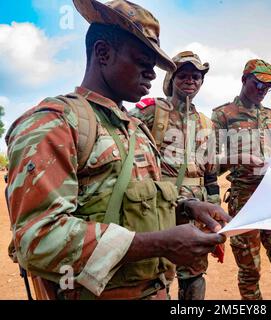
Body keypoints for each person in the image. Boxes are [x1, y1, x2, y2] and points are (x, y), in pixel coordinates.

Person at [5, 0, 229, 300]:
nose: (151, 75)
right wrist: (158, 244)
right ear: (103, 53)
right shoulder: (55, 123)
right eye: (142, 62)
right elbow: (38, 239)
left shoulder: (134, 127)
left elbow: (137, 200)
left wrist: (187, 207)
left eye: (153, 66)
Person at [130, 51, 221, 300]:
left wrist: (215, 212)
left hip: (198, 213)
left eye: (196, 76)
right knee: (159, 275)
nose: (190, 80)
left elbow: (211, 176)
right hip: (161, 209)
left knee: (194, 274)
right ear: (171, 78)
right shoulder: (153, 112)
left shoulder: (206, 123)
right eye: (183, 75)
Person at [211, 59, 271, 300]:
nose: (263, 91)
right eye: (258, 84)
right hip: (244, 201)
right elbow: (209, 162)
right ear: (244, 80)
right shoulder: (223, 115)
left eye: (268, 87)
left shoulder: (269, 116)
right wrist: (236, 158)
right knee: (250, 270)